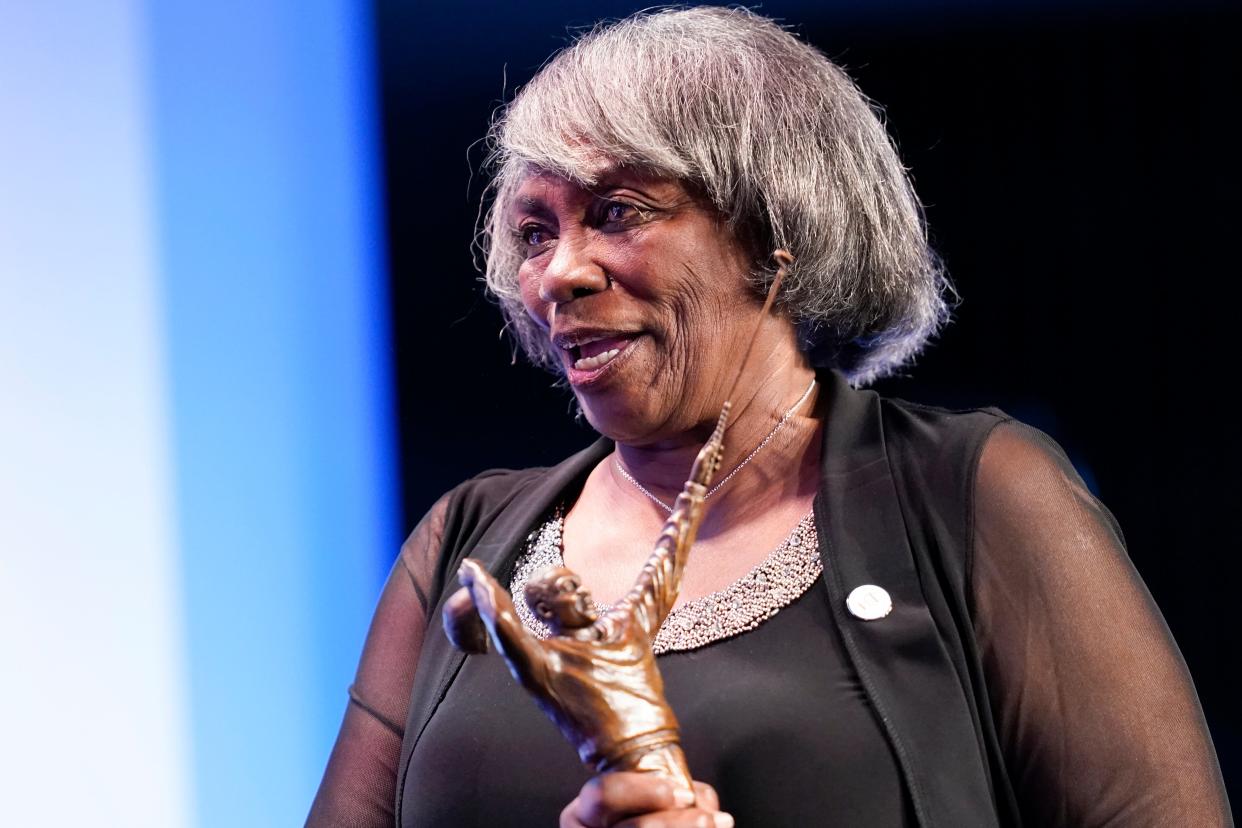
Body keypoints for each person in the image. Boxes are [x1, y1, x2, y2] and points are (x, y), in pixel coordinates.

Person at [307, 7, 1232, 827]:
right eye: (536, 232)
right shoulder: (467, 542)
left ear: (774, 229)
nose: (558, 274)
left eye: (618, 211)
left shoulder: (972, 496)